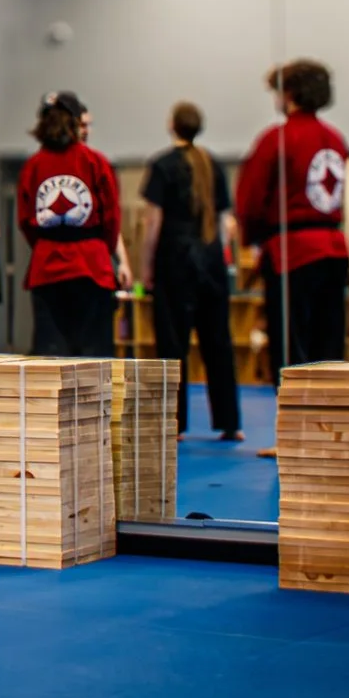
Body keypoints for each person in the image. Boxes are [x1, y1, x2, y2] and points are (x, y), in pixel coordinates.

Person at [236, 59, 349, 371]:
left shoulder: (278, 138)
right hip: (334, 248)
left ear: (289, 94)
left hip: (292, 253)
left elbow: (250, 199)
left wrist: (251, 240)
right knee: (329, 344)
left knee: (292, 348)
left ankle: (294, 411)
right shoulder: (336, 138)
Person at [140, 101, 241, 442]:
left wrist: (146, 266)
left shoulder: (162, 164)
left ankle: (175, 423)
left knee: (172, 343)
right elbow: (226, 223)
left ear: (172, 125)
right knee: (218, 341)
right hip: (211, 258)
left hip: (175, 258)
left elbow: (153, 221)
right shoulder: (214, 164)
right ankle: (229, 421)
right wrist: (222, 260)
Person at [17, 92, 129, 357]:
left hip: (47, 267)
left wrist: (47, 243)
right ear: (76, 122)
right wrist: (104, 248)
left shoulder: (33, 166)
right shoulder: (95, 161)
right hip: (91, 264)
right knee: (94, 355)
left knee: (51, 355)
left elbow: (25, 220)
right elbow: (112, 217)